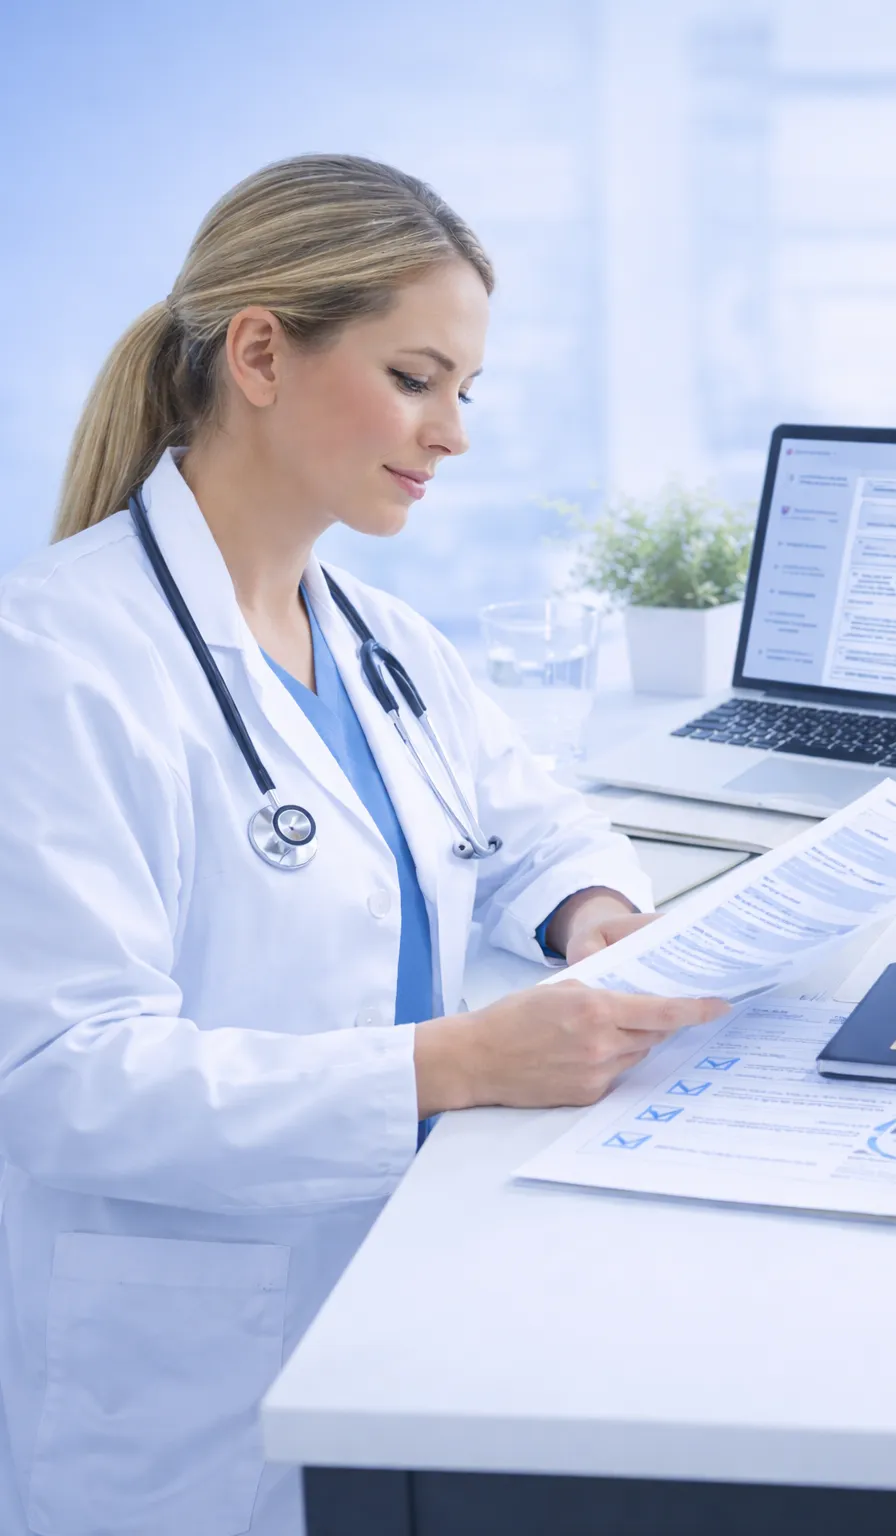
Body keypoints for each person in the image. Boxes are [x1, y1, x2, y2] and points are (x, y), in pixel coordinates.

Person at [0, 154, 726, 1536]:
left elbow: (533, 820)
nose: (453, 433)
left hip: (394, 1285)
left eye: (466, 390)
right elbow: (61, 1077)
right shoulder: (55, 659)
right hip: (178, 1375)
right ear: (262, 353)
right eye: (416, 377)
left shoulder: (386, 641)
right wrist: (455, 1062)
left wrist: (589, 911)